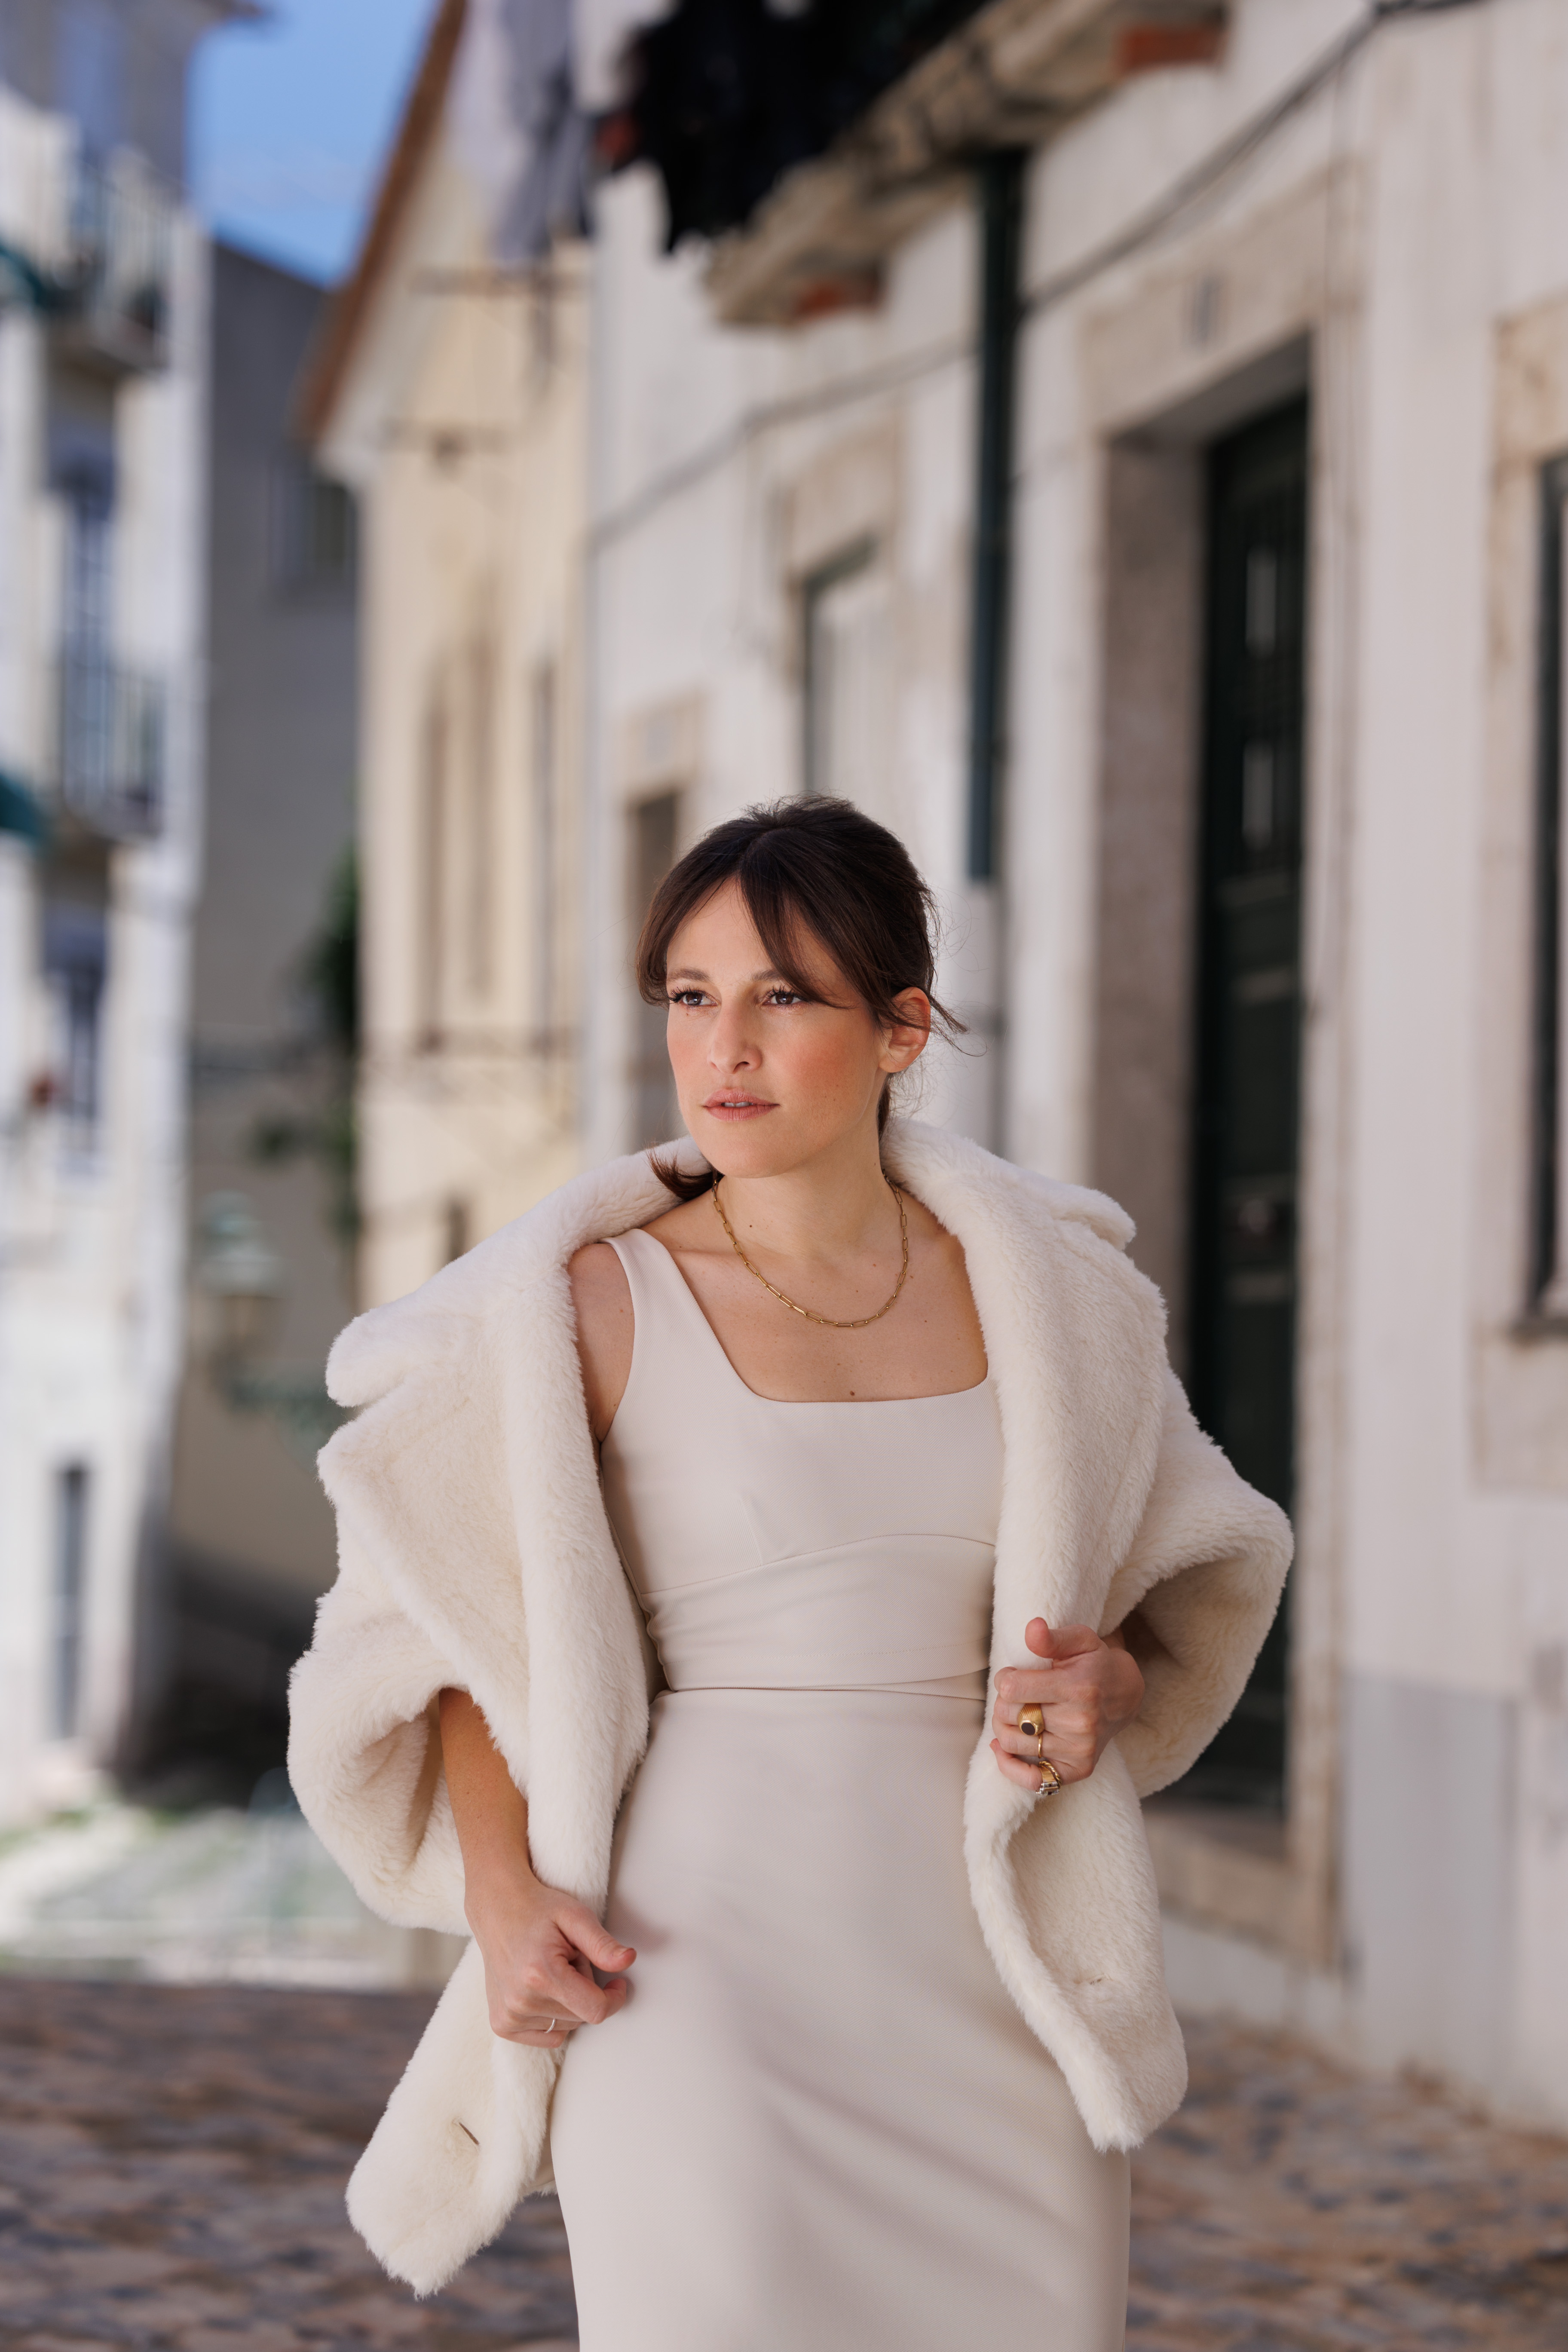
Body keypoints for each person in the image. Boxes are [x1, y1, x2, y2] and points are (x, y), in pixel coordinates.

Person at [288, 798, 1291, 2347]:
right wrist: (502, 1895)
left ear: (902, 1030)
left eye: (783, 997)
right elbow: (448, 1639)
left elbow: (1176, 1586)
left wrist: (1108, 1684)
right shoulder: (584, 1310)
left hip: (992, 1966)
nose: (725, 1048)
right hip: (694, 1969)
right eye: (692, 996)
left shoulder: (1062, 1304)